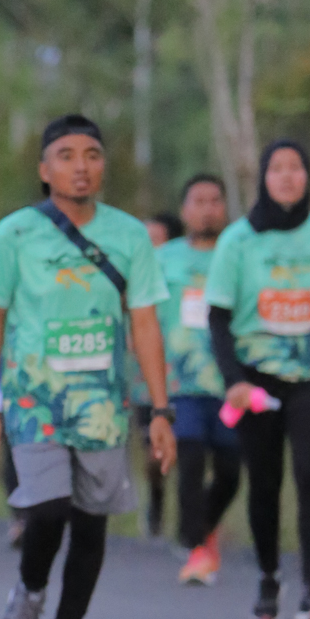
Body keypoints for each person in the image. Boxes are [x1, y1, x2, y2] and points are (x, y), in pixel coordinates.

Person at [0, 115, 176, 619]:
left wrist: (160, 410)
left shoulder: (130, 235)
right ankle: (30, 589)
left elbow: (145, 324)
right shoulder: (14, 234)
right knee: (48, 508)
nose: (81, 166)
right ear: (45, 169)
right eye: (66, 155)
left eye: (92, 154)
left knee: (91, 519)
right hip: (34, 397)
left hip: (102, 403)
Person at [205, 140, 310, 619]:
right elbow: (218, 319)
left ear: (307, 176)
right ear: (263, 178)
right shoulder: (238, 240)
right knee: (265, 482)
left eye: (295, 167)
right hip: (255, 378)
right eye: (276, 168)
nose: (286, 176)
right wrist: (233, 382)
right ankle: (268, 576)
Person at [156, 175, 241, 586]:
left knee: (230, 470)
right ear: (184, 210)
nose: (207, 209)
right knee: (189, 456)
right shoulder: (164, 258)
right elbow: (145, 314)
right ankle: (195, 548)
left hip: (231, 382)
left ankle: (201, 527)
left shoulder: (239, 254)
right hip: (180, 382)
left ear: (224, 208)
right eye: (198, 201)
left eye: (214, 200)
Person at [133, 211, 183, 541]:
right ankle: (156, 499)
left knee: (191, 449)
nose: (150, 248)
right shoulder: (135, 276)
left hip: (188, 378)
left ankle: (191, 523)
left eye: (156, 240)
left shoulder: (186, 275)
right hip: (146, 380)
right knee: (153, 451)